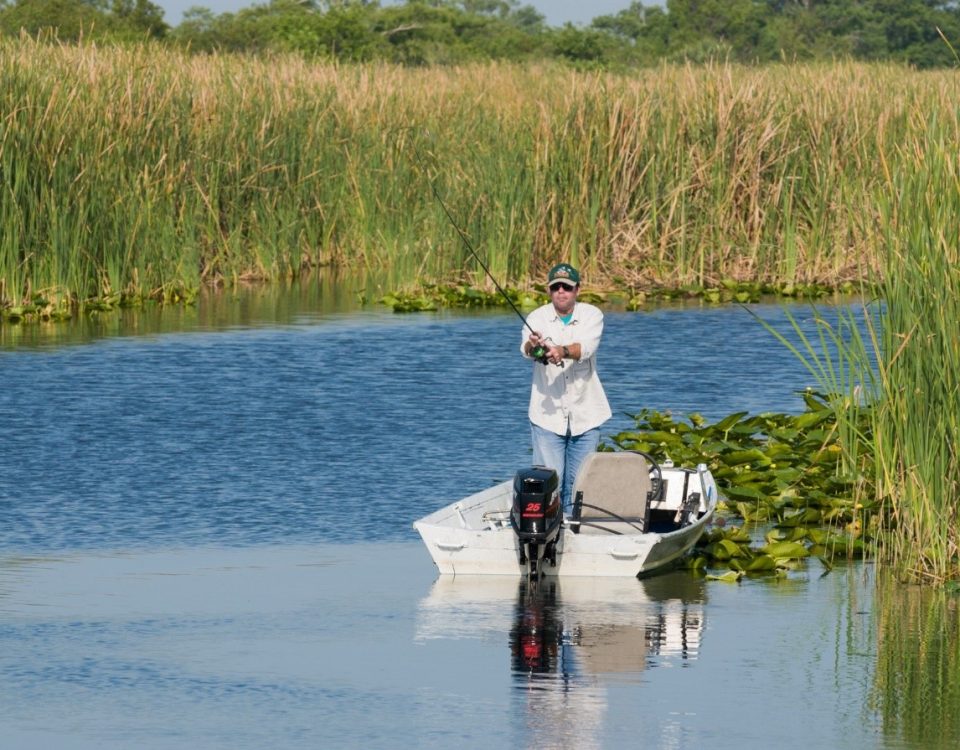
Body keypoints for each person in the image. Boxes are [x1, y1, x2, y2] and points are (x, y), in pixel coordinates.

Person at [520, 263, 612, 512]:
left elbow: (586, 348)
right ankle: (552, 534)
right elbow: (527, 351)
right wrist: (535, 346)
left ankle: (574, 530)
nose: (561, 291)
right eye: (556, 287)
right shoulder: (536, 318)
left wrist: (561, 351)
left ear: (577, 290)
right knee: (550, 483)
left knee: (579, 484)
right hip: (546, 417)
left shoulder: (592, 315)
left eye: (567, 287)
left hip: (587, 414)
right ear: (549, 290)